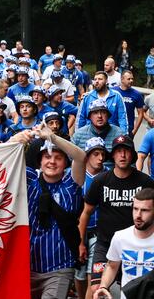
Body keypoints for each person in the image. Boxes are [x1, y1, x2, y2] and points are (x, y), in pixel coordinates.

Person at [13, 123, 86, 299]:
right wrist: (14, 141)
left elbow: (81, 157)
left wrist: (51, 137)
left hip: (60, 266)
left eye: (58, 158)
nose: (52, 161)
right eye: (47, 157)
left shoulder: (71, 183)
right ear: (40, 161)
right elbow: (0, 163)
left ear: (65, 162)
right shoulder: (29, 179)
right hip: (27, 266)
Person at [79, 135, 154, 295]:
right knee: (96, 288)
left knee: (131, 289)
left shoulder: (145, 182)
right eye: (118, 151)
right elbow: (85, 213)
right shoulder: (100, 181)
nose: (122, 155)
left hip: (134, 245)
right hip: (105, 243)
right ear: (112, 155)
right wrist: (81, 243)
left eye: (126, 151)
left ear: (132, 155)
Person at [93, 188, 154, 299]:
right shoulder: (120, 237)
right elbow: (112, 266)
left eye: (145, 210)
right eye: (135, 209)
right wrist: (103, 287)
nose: (138, 215)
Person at [75, 137, 108, 299]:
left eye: (102, 154)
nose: (101, 158)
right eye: (96, 154)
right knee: (79, 275)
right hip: (78, 231)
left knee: (93, 276)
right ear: (87, 156)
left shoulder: (108, 176)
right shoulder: (75, 176)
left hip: (98, 233)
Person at [115, 70, 145, 138]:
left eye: (132, 79)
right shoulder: (113, 91)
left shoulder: (137, 94)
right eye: (129, 79)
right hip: (113, 127)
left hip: (128, 129)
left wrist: (134, 130)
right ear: (122, 79)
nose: (131, 80)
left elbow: (141, 113)